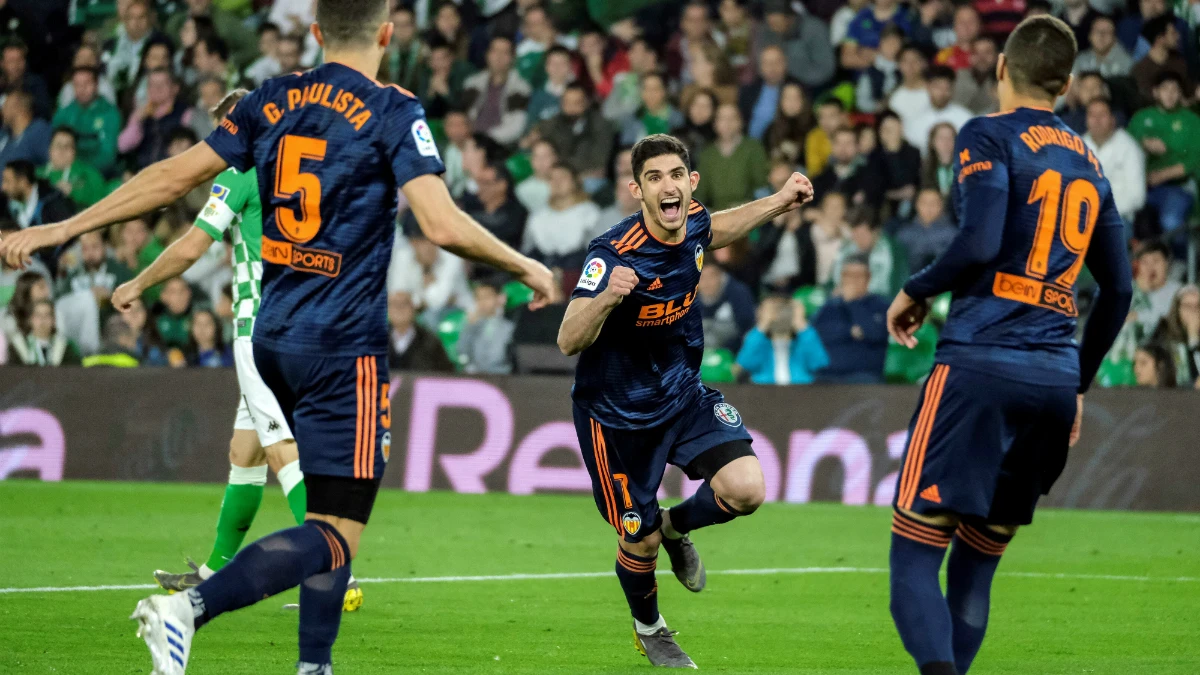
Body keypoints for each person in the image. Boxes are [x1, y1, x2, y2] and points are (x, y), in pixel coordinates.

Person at [0, 1, 557, 672]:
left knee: (315, 509)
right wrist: (524, 263)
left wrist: (60, 230)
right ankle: (189, 609)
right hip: (342, 343)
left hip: (271, 333)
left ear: (317, 32)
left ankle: (312, 666)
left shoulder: (270, 98)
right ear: (386, 33)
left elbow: (172, 175)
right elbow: (439, 224)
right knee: (335, 533)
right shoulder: (393, 107)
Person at [883, 17, 1132, 675]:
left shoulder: (987, 133)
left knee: (913, 550)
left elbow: (982, 241)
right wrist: (1076, 381)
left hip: (978, 364)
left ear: (1000, 66)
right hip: (1052, 380)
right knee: (977, 562)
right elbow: (1120, 289)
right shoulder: (1088, 157)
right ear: (1068, 83)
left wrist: (916, 289)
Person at [557, 133, 812, 668]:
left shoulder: (693, 217)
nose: (667, 186)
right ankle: (650, 629)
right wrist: (605, 298)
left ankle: (676, 526)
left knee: (747, 490)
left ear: (691, 182)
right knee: (639, 543)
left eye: (676, 174)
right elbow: (568, 339)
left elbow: (719, 227)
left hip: (681, 394)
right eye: (654, 178)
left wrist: (779, 200)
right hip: (616, 420)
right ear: (637, 191)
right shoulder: (611, 253)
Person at [110, 88, 362, 610]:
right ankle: (214, 568)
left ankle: (337, 570)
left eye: (227, 121)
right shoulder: (306, 174)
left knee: (280, 451)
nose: (221, 132)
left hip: (261, 329)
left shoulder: (240, 174)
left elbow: (191, 247)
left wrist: (137, 284)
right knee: (244, 452)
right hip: (306, 326)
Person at [1128, 72, 1200, 250]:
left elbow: (1194, 158)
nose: (1170, 94)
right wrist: (1143, 144)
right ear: (1155, 92)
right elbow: (1124, 147)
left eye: (1175, 90)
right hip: (1141, 186)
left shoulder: (1191, 120)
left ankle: (1182, 263)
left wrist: (1162, 175)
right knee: (1124, 220)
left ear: (1181, 94)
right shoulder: (1141, 118)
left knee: (1170, 220)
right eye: (1165, 89)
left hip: (1178, 186)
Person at [811, 254, 890, 382]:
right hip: (827, 376)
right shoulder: (830, 306)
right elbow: (818, 334)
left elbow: (876, 333)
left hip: (864, 375)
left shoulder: (880, 306)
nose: (852, 280)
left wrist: (853, 303)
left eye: (858, 276)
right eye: (848, 275)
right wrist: (850, 331)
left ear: (868, 278)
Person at [735, 294, 828, 384]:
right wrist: (763, 324)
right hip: (763, 393)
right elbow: (745, 363)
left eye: (784, 309)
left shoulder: (803, 341)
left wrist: (801, 323)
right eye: (774, 310)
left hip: (800, 392)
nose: (780, 314)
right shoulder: (759, 341)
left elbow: (819, 363)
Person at [523, 162, 601, 270]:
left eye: (563, 177)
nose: (557, 182)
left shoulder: (589, 212)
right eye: (552, 178)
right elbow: (527, 251)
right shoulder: (537, 215)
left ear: (575, 181)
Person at [1083, 98, 1145, 231]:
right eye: (1092, 115)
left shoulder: (1129, 147)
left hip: (1117, 218)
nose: (1097, 120)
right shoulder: (1078, 146)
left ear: (1112, 119)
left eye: (1102, 115)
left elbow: (1137, 197)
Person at [693, 103, 769, 211]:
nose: (727, 123)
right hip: (717, 215)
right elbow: (700, 194)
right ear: (715, 124)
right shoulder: (707, 154)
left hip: (749, 212)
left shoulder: (753, 148)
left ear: (740, 122)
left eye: (732, 118)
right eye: (722, 119)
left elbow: (762, 186)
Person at [51, 67, 122, 177]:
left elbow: (108, 155)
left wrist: (80, 171)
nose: (82, 89)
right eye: (77, 85)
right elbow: (53, 147)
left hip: (98, 174)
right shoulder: (64, 113)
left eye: (86, 84)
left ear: (96, 85)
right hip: (65, 171)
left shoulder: (110, 114)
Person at [462, 35, 531, 148]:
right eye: (495, 51)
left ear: (512, 58)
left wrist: (486, 140)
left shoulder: (520, 89)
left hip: (500, 145)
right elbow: (464, 116)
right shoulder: (472, 84)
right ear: (487, 55)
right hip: (470, 141)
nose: (498, 57)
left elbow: (516, 127)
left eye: (504, 52)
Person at [757, 0, 835, 90]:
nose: (772, 28)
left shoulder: (814, 29)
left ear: (789, 18)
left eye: (776, 23)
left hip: (816, 87)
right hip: (779, 86)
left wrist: (796, 81)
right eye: (770, 24)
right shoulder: (768, 30)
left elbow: (825, 70)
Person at [907, 66, 973, 155]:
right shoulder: (916, 121)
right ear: (927, 87)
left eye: (947, 88)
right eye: (937, 87)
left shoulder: (966, 118)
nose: (942, 93)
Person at [385, 290, 455, 372]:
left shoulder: (431, 342)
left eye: (404, 304)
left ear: (413, 308)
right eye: (394, 304)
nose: (400, 309)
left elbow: (446, 374)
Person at [464, 162, 528, 251]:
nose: (480, 188)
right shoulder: (472, 208)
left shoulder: (517, 214)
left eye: (486, 183)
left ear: (502, 185)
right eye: (479, 183)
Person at [40, 128, 107, 208]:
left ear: (75, 151)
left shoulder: (89, 174)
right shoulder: (37, 174)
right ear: (50, 149)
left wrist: (73, 192)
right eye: (58, 145)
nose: (62, 150)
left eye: (67, 146)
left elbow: (101, 201)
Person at [697, 261, 757, 352]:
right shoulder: (688, 299)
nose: (706, 283)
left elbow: (747, 329)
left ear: (721, 277)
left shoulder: (739, 294)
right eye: (701, 278)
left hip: (735, 354)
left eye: (711, 276)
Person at [1129, 15, 1191, 102]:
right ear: (1160, 39)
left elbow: (1187, 92)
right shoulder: (1140, 70)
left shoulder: (1179, 62)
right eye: (1173, 33)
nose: (1178, 36)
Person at [458, 281, 515, 374]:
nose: (482, 303)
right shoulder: (473, 326)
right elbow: (462, 353)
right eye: (478, 298)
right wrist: (470, 327)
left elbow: (498, 358)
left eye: (486, 297)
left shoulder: (509, 327)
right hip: (475, 376)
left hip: (500, 376)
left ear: (500, 298)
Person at [896, 188, 957, 273]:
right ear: (917, 205)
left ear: (942, 205)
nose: (929, 207)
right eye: (924, 203)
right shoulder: (905, 234)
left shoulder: (953, 234)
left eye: (934, 203)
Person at [6, 298, 82, 366]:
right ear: (30, 320)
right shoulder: (17, 347)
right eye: (38, 315)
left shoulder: (67, 347)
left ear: (53, 320)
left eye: (47, 315)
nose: (42, 320)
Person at [1128, 239, 1181, 337]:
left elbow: (1174, 322)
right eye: (1145, 262)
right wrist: (1139, 291)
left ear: (1167, 263)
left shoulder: (1178, 292)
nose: (1150, 267)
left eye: (1156, 261)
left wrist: (1138, 316)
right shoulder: (1129, 290)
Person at [1150, 284, 1200, 386]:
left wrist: (1194, 338)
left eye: (1198, 306)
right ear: (1177, 309)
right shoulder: (1163, 331)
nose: (1193, 311)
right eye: (1188, 306)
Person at [811, 127, 868, 206]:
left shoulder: (868, 176)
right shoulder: (821, 178)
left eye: (848, 143)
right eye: (838, 143)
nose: (843, 148)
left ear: (857, 146)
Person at [762, 82, 812, 166]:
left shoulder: (813, 128)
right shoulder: (771, 129)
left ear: (804, 101)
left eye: (796, 98)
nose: (791, 103)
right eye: (787, 98)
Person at [857, 25, 904, 114]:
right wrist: (879, 106)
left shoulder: (904, 69)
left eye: (895, 42)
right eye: (887, 42)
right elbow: (862, 102)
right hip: (877, 114)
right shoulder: (870, 71)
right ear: (880, 44)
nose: (891, 46)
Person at [0, 91, 52, 167]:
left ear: (18, 108)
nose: (2, 111)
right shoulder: (4, 135)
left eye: (6, 106)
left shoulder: (39, 131)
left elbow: (52, 163)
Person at [953, 36, 1000, 115]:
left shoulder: (1004, 82)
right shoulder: (956, 78)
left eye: (987, 52)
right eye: (976, 53)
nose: (981, 58)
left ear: (996, 56)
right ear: (969, 56)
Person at [805, 98, 847, 177]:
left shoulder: (853, 134)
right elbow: (814, 171)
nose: (826, 121)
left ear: (843, 116)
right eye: (822, 117)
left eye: (831, 116)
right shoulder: (814, 136)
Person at [920, 122, 957, 201]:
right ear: (932, 142)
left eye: (950, 138)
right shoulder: (923, 167)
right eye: (941, 138)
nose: (946, 142)